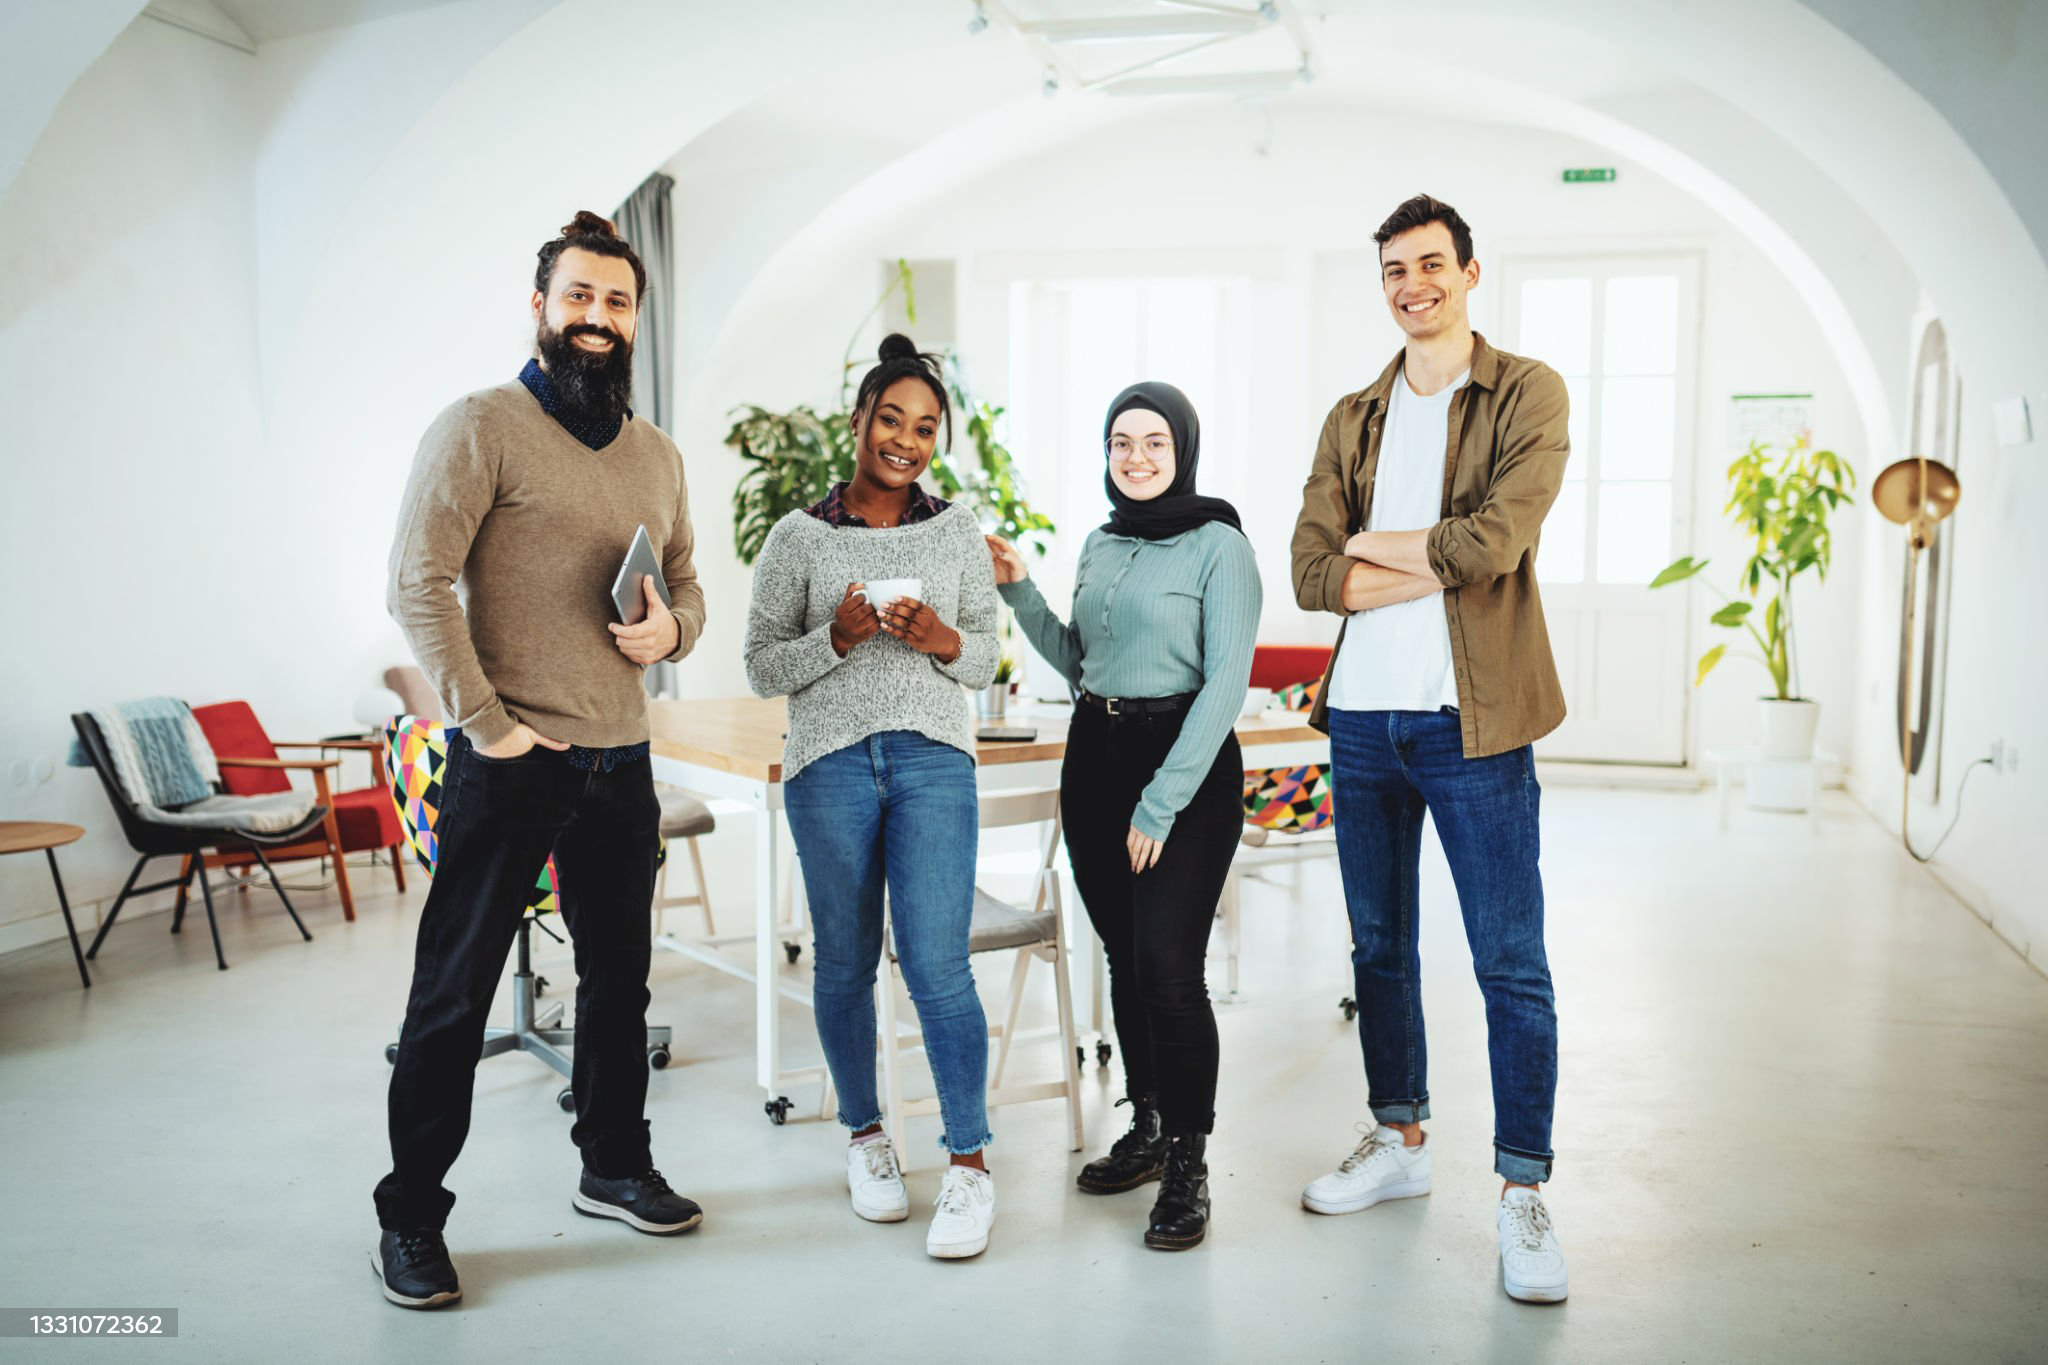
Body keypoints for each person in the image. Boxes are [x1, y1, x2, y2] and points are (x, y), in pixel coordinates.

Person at [375, 211, 707, 1309]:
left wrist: (674, 635)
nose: (596, 318)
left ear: (633, 317)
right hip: (511, 761)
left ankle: (612, 1165)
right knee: (453, 995)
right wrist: (490, 727)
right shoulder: (481, 425)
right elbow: (415, 585)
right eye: (578, 297)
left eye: (615, 302)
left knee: (618, 983)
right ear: (540, 305)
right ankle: (411, 1218)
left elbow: (690, 584)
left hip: (621, 760)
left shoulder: (656, 455)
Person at [1288, 193, 1572, 1302]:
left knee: (1508, 961)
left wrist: (1385, 546)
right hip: (1360, 718)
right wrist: (1433, 556)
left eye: (1428, 265)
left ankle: (1519, 1192)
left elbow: (1499, 538)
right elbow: (1316, 573)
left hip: (1473, 720)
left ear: (1468, 271)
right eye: (1392, 271)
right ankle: (1398, 1144)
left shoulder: (1524, 391)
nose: (1411, 285)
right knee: (1378, 951)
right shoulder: (1353, 415)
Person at [742, 333, 1003, 1259]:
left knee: (937, 965)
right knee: (845, 962)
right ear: (858, 423)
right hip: (830, 766)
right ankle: (866, 1138)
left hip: (935, 761)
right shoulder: (796, 537)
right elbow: (761, 662)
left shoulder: (957, 528)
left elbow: (987, 652)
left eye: (923, 427)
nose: (905, 439)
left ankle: (969, 1166)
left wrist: (937, 636)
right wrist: (837, 638)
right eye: (890, 419)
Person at [987, 381, 1259, 1251]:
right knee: (1121, 954)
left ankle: (1188, 1158)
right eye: (1120, 443)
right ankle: (1144, 1125)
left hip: (1185, 767)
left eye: (1153, 443)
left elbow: (1224, 686)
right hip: (1094, 762)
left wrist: (1162, 799)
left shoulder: (1222, 547)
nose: (1135, 458)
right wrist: (1020, 590)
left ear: (1182, 449)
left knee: (1168, 970)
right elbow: (1080, 658)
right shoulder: (1101, 544)